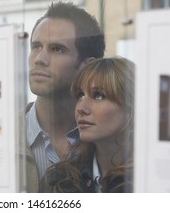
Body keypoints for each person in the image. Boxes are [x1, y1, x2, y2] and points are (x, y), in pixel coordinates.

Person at [23, 1, 105, 192]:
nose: (39, 59)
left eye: (57, 49)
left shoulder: (110, 140)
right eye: (36, 46)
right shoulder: (4, 137)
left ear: (87, 66)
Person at [39, 57, 135, 193]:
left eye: (98, 96)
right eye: (80, 95)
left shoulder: (153, 180)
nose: (81, 108)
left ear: (130, 107)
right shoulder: (59, 181)